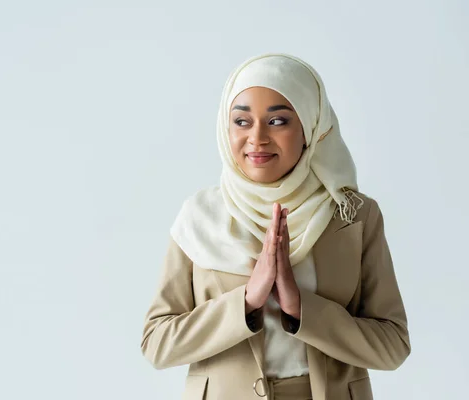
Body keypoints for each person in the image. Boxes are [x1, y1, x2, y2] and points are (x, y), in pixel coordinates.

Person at [140, 53, 410, 400]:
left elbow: (393, 346)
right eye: (241, 121)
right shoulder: (199, 217)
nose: (257, 138)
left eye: (278, 121)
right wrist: (247, 301)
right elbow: (157, 344)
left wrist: (301, 308)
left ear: (311, 126)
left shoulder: (352, 215)